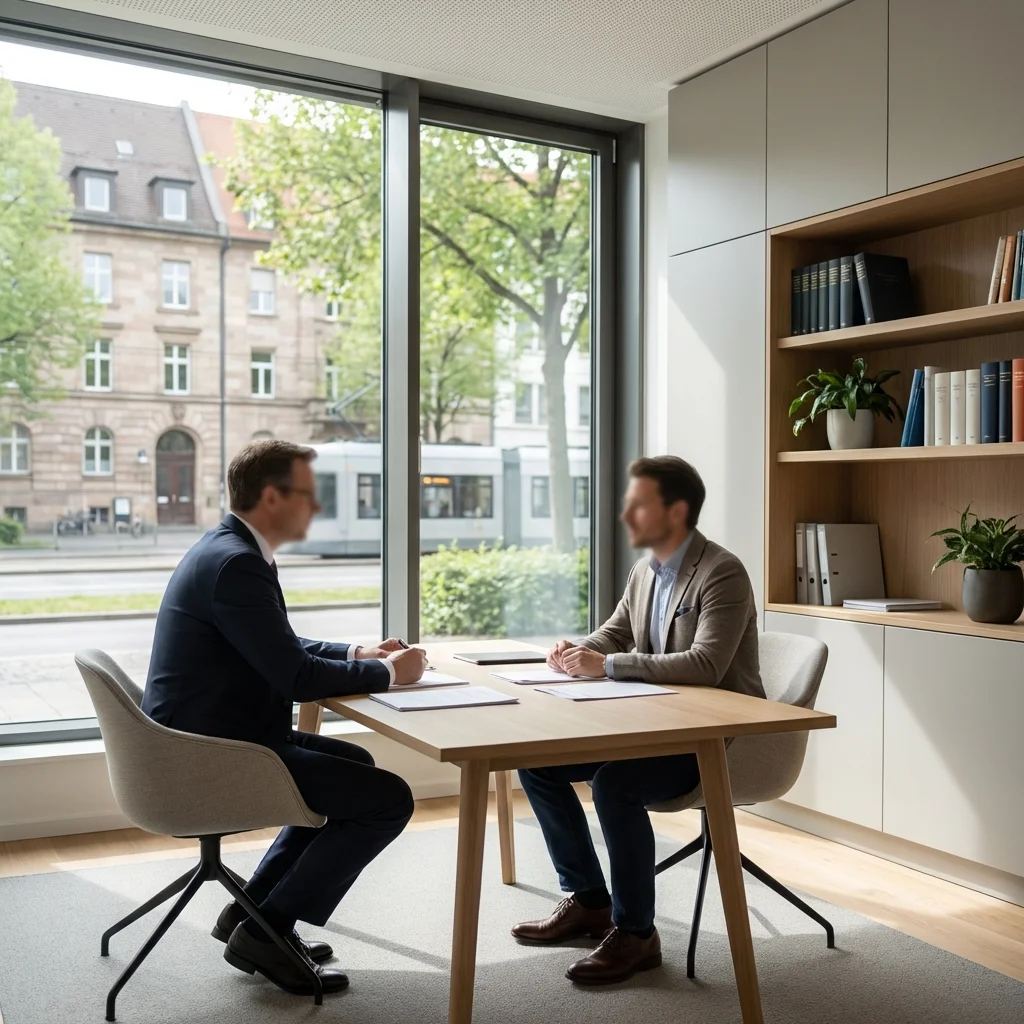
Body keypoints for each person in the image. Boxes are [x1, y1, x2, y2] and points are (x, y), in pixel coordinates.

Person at [142, 439, 427, 997]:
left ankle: (254, 914)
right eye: (308, 494)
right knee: (388, 800)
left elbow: (278, 645)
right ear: (272, 497)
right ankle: (268, 932)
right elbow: (294, 677)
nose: (316, 507)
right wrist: (393, 675)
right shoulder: (237, 566)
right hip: (209, 756)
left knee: (354, 764)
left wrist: (355, 654)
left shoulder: (229, 551)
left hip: (211, 735)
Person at [511, 455, 763, 985]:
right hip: (654, 724)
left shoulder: (723, 571)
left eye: (638, 503)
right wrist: (577, 651)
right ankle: (588, 901)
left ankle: (637, 934)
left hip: (711, 739)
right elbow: (616, 632)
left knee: (615, 785)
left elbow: (706, 664)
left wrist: (605, 665)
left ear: (676, 511)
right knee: (537, 764)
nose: (626, 513)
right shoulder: (645, 569)